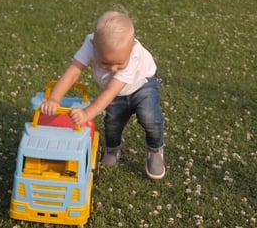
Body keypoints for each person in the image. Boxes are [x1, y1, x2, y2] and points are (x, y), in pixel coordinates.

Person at [40, 10, 165, 179]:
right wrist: (55, 98)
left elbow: (110, 91)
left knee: (149, 117)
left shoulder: (134, 55)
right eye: (105, 63)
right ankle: (113, 148)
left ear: (132, 47)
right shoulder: (90, 43)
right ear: (94, 45)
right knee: (112, 123)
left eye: (119, 64)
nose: (113, 69)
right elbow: (72, 73)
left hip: (143, 85)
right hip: (115, 92)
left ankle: (155, 149)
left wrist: (87, 113)